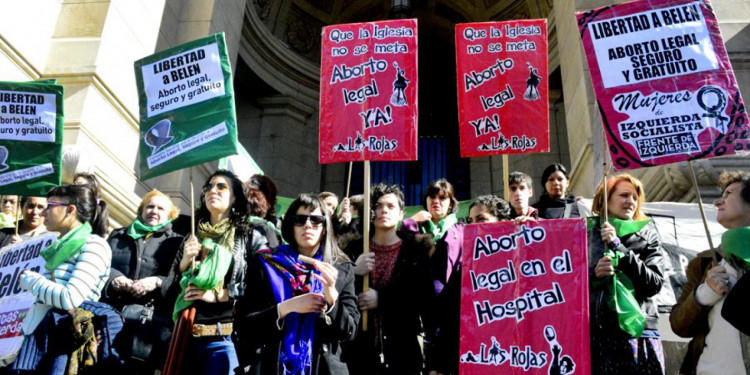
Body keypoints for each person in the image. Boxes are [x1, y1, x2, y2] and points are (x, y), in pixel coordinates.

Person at [164, 170, 275, 375]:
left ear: (235, 197)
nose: (212, 190)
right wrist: (184, 264)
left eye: (221, 186)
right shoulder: (193, 235)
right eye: (208, 186)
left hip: (226, 340)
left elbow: (264, 287)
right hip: (184, 337)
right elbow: (168, 291)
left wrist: (219, 294)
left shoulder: (251, 235)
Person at [234, 193, 359, 375]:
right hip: (272, 365)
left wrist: (332, 297)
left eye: (316, 220)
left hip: (322, 367)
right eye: (300, 219)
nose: (308, 225)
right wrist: (286, 308)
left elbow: (349, 332)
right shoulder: (266, 263)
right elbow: (245, 326)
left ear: (325, 227)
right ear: (291, 225)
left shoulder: (340, 268)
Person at [16, 184, 112, 373]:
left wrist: (32, 282)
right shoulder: (54, 247)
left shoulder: (95, 246)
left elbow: (70, 299)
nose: (44, 212)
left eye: (50, 205)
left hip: (63, 344)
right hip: (36, 340)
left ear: (70, 210)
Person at [343, 184, 434, 375]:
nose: (384, 210)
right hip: (358, 353)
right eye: (378, 205)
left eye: (391, 206)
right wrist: (352, 271)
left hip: (402, 353)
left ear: (401, 214)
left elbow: (425, 302)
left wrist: (382, 300)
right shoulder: (352, 249)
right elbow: (336, 294)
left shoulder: (416, 251)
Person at [670, 170, 750, 375]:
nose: (717, 202)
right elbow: (679, 325)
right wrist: (704, 295)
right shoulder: (704, 262)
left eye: (729, 194)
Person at [589, 173, 666, 374]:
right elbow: (569, 283)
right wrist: (594, 275)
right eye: (624, 195)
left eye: (634, 197)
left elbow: (654, 283)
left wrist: (619, 248)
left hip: (640, 333)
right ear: (605, 201)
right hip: (598, 334)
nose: (630, 202)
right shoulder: (586, 236)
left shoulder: (648, 235)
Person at [103, 189, 184, 373]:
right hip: (111, 319)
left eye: (160, 208)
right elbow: (101, 266)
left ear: (170, 215)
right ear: (141, 211)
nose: (154, 211)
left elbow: (179, 281)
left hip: (146, 330)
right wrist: (114, 278)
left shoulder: (177, 243)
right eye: (150, 206)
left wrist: (157, 282)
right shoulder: (118, 235)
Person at [399, 179, 463, 375]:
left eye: (442, 198)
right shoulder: (414, 228)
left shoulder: (460, 229)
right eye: (432, 197)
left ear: (451, 203)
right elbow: (397, 243)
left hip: (449, 306)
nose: (436, 201)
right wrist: (410, 222)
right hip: (418, 305)